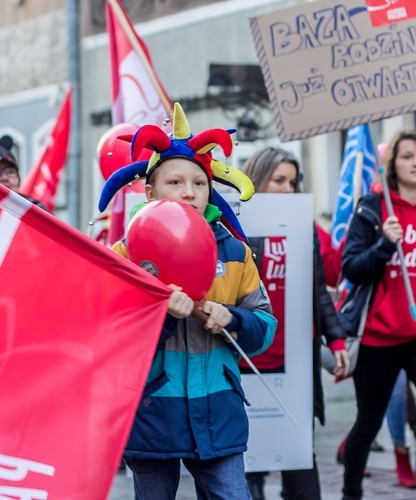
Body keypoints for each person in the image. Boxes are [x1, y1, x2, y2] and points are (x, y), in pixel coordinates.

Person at [97, 102, 277, 500]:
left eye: (198, 183)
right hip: (151, 412)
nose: (188, 193)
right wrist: (160, 316)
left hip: (218, 411)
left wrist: (230, 318)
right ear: (149, 190)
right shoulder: (125, 255)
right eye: (174, 182)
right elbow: (112, 338)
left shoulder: (235, 252)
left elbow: (265, 330)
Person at [340, 130, 416, 500]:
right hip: (378, 337)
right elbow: (351, 269)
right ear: (392, 166)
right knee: (368, 422)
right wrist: (385, 245)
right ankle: (351, 492)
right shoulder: (372, 209)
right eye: (407, 156)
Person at [239, 146, 349, 500]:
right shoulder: (236, 225)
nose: (288, 189)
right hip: (246, 364)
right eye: (279, 180)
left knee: (302, 473)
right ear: (257, 181)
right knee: (246, 473)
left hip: (294, 365)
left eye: (293, 181)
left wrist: (336, 340)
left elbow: (319, 289)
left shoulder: (307, 229)